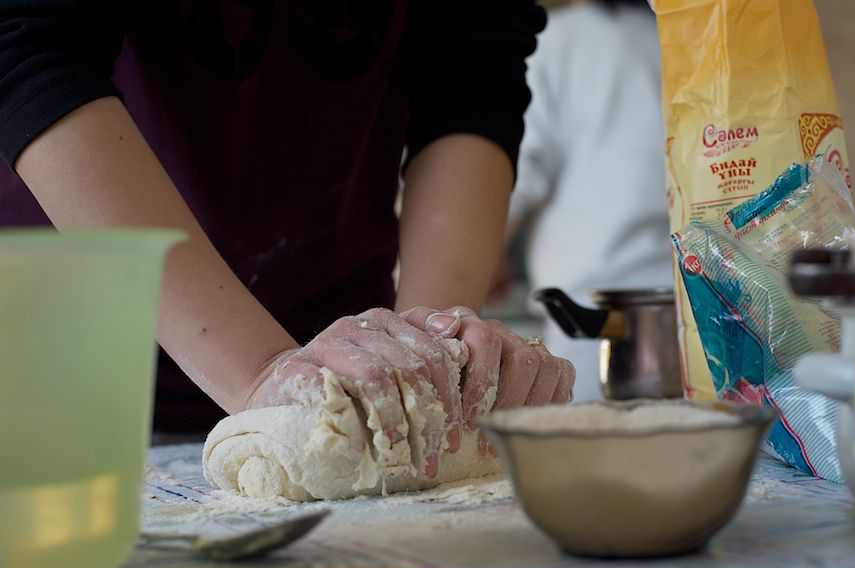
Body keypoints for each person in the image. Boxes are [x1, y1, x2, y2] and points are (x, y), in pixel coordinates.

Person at [0, 1, 574, 477]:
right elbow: (26, 45)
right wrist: (262, 372)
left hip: (337, 362)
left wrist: (427, 365)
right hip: (59, 368)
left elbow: (474, 67)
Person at [502, 0, 673, 402]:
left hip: (597, 339)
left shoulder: (557, 40)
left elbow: (507, 184)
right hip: (700, 335)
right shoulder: (682, 43)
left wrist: (489, 259)